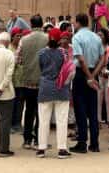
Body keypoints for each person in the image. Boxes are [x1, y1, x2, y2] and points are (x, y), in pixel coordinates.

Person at [36, 27, 73, 159]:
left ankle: (41, 148)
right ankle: (62, 149)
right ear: (59, 40)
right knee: (62, 120)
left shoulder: (41, 53)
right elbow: (69, 69)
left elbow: (41, 68)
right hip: (61, 88)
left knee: (43, 120)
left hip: (45, 88)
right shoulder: (64, 53)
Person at [70, 13, 103, 153]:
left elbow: (81, 59)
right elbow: (103, 59)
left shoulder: (77, 37)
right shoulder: (96, 37)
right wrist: (94, 75)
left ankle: (82, 142)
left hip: (81, 74)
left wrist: (89, 77)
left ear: (78, 22)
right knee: (93, 109)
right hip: (93, 71)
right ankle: (95, 143)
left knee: (80, 109)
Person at [16, 14, 47, 150]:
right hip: (44, 80)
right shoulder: (48, 38)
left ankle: (27, 139)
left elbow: (18, 60)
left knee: (29, 110)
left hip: (28, 80)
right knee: (42, 112)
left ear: (31, 24)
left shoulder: (24, 39)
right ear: (41, 24)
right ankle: (39, 139)